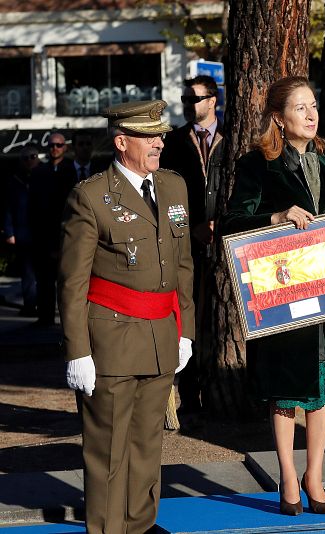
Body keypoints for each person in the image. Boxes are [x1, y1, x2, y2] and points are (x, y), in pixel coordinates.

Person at [221, 76, 325, 516]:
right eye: (300, 108)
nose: (310, 114)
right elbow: (231, 224)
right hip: (280, 296)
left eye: (313, 105)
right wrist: (277, 216)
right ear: (279, 119)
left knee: (324, 390)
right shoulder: (256, 164)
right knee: (286, 392)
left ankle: (314, 475)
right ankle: (286, 475)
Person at [58, 100, 195, 534]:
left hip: (161, 335)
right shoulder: (91, 196)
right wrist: (78, 352)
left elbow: (184, 265)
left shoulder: (173, 187)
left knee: (147, 444)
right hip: (111, 341)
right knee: (108, 451)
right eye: (149, 137)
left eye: (160, 136)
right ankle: (106, 530)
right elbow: (73, 283)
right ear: (122, 143)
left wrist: (185, 331)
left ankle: (140, 525)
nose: (159, 144)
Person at [160, 74, 225, 418]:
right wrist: (189, 230)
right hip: (188, 247)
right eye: (184, 99)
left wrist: (223, 225)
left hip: (227, 245)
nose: (188, 105)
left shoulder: (232, 138)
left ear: (213, 100)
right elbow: (164, 198)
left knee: (225, 323)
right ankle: (190, 398)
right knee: (188, 322)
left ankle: (227, 391)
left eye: (194, 98)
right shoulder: (173, 144)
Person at [28, 131, 75, 326]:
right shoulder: (39, 172)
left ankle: (68, 320)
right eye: (51, 145)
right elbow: (33, 206)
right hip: (43, 234)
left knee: (67, 282)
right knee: (44, 281)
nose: (54, 148)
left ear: (65, 147)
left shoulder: (71, 170)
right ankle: (45, 317)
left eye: (58, 145)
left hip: (66, 234)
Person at [3, 145, 40, 316]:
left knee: (45, 273)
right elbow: (8, 208)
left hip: (43, 233)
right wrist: (9, 232)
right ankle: (30, 305)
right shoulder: (14, 181)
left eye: (33, 156)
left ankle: (45, 306)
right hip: (24, 233)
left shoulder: (45, 176)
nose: (29, 160)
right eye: (26, 158)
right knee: (27, 273)